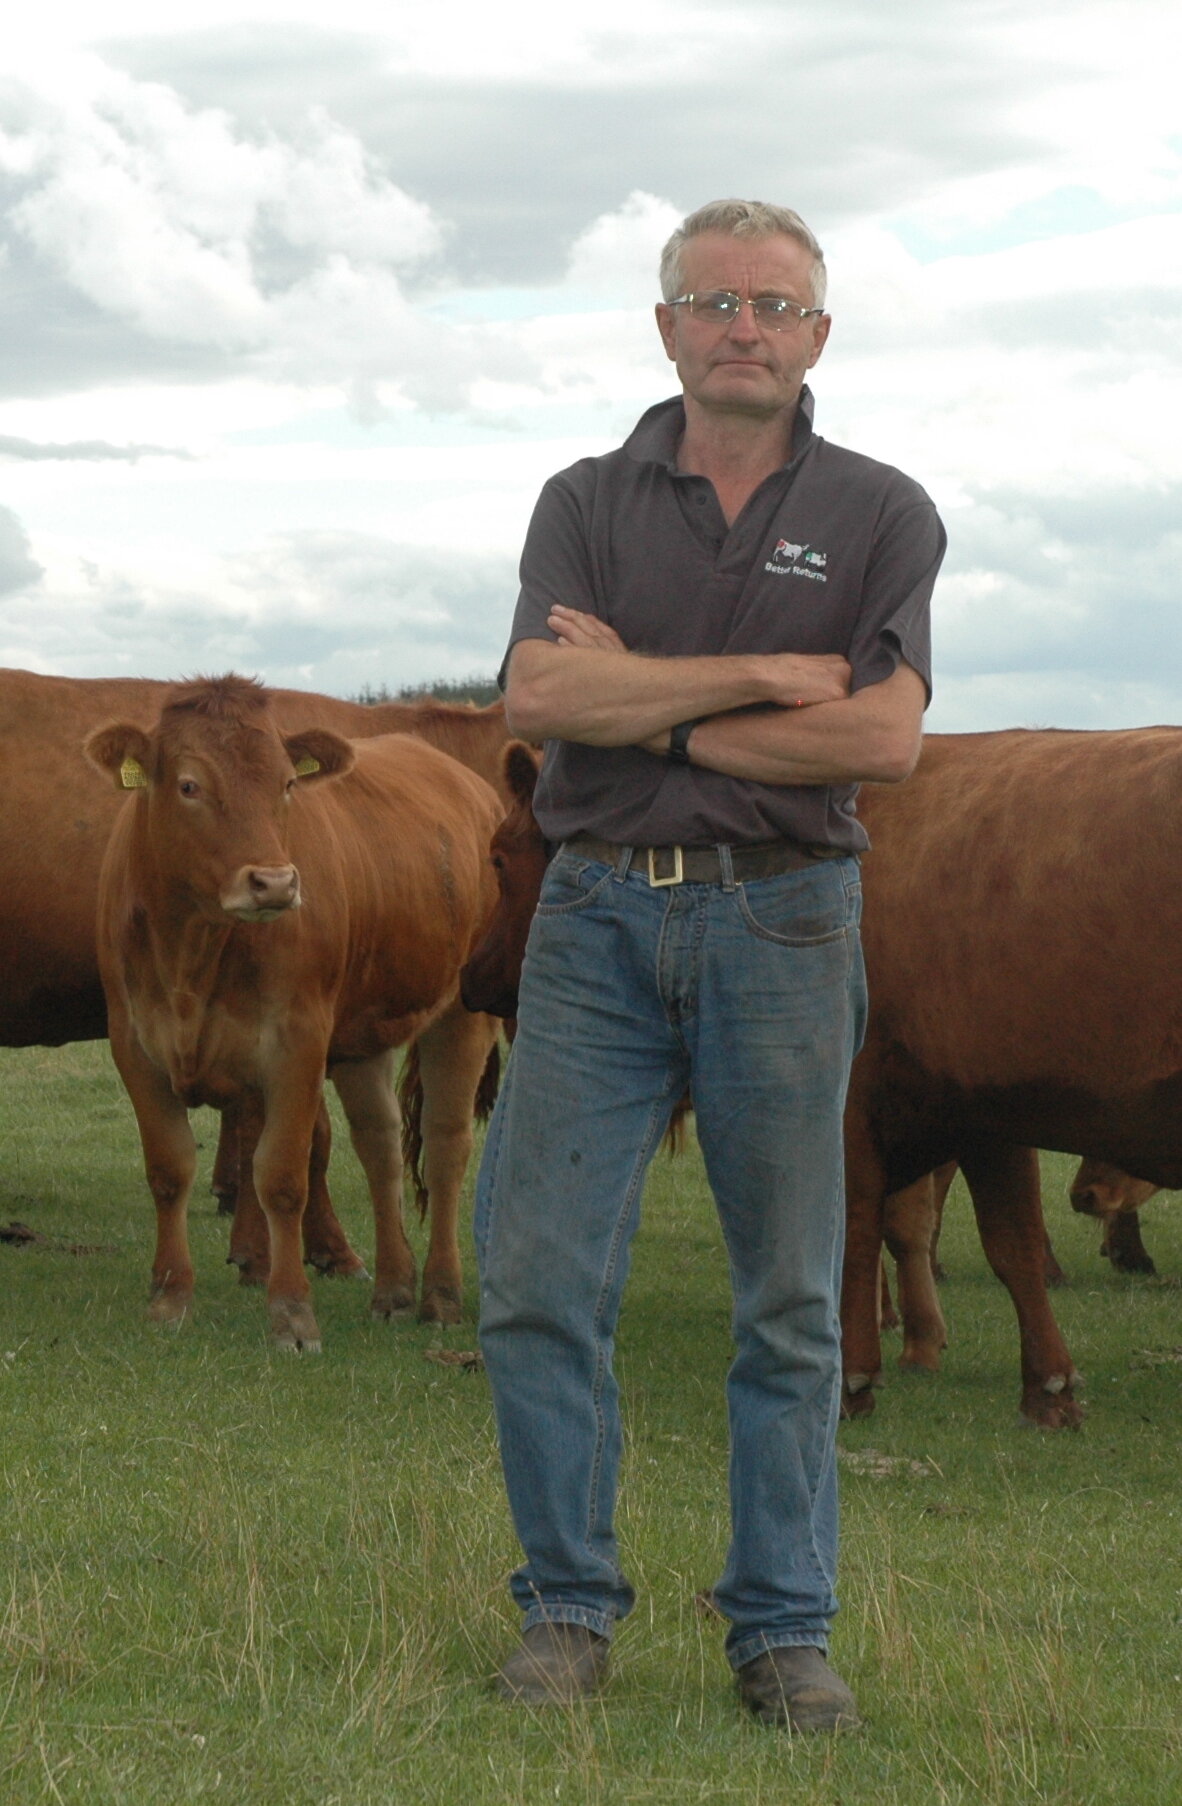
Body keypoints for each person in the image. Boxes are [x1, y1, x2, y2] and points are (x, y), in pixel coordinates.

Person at [474, 198, 944, 1731]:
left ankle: (782, 1627)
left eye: (777, 305)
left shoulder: (881, 509)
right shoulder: (582, 495)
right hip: (596, 913)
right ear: (664, 324)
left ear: (819, 333)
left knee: (792, 1297)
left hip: (784, 916)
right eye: (715, 300)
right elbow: (538, 694)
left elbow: (878, 734)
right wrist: (748, 681)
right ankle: (563, 1608)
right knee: (541, 1274)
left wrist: (642, 697)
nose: (745, 325)